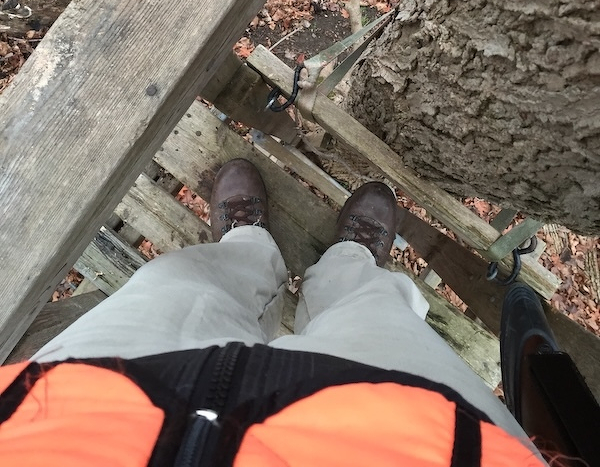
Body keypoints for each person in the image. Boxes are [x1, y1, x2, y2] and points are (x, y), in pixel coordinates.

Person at [0, 158, 544, 466]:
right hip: (412, 438)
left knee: (177, 285)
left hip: (69, 411)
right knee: (376, 308)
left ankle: (248, 244)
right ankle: (350, 259)